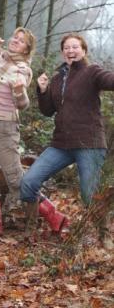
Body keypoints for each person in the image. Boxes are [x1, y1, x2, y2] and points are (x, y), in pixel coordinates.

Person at [20, 33, 114, 242]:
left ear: (84, 50)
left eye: (75, 47)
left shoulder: (92, 72)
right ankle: (30, 230)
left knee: (90, 194)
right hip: (61, 144)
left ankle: (103, 237)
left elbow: (110, 80)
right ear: (62, 52)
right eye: (67, 48)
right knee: (29, 181)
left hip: (88, 143)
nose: (71, 51)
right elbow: (47, 111)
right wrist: (43, 91)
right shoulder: (57, 78)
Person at [0, 28, 68, 234]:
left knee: (16, 180)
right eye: (14, 38)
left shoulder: (22, 69)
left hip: (3, 127)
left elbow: (23, 104)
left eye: (20, 41)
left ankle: (54, 216)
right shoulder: (4, 59)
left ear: (27, 49)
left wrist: (18, 91)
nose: (15, 41)